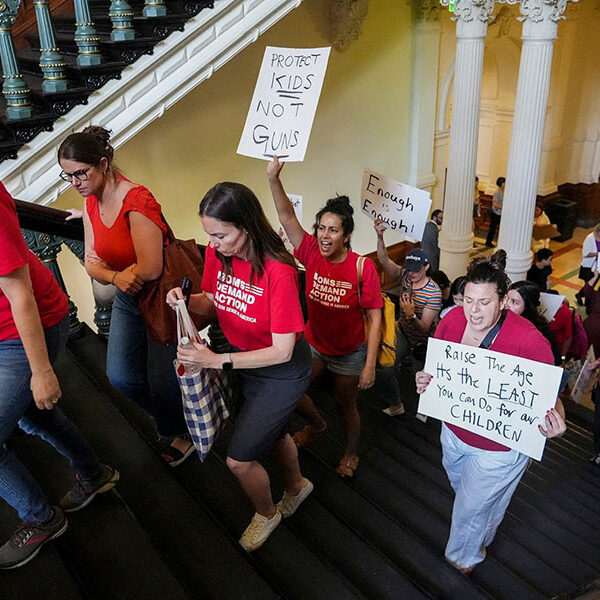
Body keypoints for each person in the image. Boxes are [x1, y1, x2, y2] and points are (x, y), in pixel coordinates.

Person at [167, 180, 313, 552]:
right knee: (277, 431)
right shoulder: (219, 255)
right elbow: (214, 302)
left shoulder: (277, 271)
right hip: (242, 361)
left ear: (246, 228)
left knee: (238, 461)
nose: (211, 244)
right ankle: (297, 486)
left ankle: (267, 513)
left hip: (280, 372)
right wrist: (185, 300)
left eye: (220, 235)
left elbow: (282, 350)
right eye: (209, 235)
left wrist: (217, 360)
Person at [416, 251, 566, 573]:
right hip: (454, 432)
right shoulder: (452, 319)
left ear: (502, 302)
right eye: (468, 299)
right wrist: (425, 378)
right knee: (468, 495)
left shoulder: (530, 341)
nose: (474, 310)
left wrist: (559, 421)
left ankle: (461, 561)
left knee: (468, 510)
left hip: (499, 448)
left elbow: (549, 392)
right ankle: (481, 526)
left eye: (484, 302)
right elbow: (437, 368)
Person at [58, 126, 193, 466]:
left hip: (162, 296)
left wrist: (114, 273)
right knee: (121, 376)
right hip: (128, 295)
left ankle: (183, 429)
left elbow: (149, 269)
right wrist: (116, 276)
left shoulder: (137, 201)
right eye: (68, 176)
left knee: (165, 378)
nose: (75, 183)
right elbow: (91, 262)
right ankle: (172, 417)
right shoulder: (90, 202)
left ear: (102, 164)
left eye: (80, 173)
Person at [0, 182, 118, 569]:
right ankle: (93, 473)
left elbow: (19, 295)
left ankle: (40, 520)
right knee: (36, 416)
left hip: (23, 331)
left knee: (35, 410)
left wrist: (41, 371)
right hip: (8, 332)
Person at [267, 157, 382, 478]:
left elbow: (374, 317)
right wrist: (274, 178)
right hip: (314, 344)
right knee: (293, 389)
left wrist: (370, 363)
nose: (324, 235)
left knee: (347, 406)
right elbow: (287, 214)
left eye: (333, 230)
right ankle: (317, 425)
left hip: (349, 353)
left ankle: (350, 452)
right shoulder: (309, 252)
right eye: (320, 228)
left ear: (346, 235)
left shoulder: (362, 267)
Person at [375, 222, 442, 416]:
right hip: (403, 331)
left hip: (425, 341)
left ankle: (427, 410)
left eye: (416, 270)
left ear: (426, 267)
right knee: (385, 367)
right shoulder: (405, 276)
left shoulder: (433, 293)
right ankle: (396, 404)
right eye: (409, 269)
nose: (412, 273)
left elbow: (424, 328)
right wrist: (380, 237)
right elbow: (383, 259)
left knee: (426, 380)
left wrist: (411, 313)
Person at [507, 280, 562, 365]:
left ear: (528, 307)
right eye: (506, 299)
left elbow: (556, 362)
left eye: (514, 302)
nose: (506, 305)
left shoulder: (542, 333)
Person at [581, 270, 600, 465]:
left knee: (588, 358)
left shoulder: (598, 294)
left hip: (589, 326)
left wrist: (596, 274)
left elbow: (586, 290)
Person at [575, 223, 600, 306]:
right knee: (590, 285)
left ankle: (579, 295)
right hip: (589, 266)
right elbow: (585, 254)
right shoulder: (589, 239)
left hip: (597, 265)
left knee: (593, 283)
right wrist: (598, 254)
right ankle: (587, 304)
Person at [485, 176, 505, 248]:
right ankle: (488, 242)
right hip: (496, 213)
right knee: (492, 228)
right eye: (504, 182)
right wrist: (504, 207)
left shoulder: (504, 192)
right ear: (501, 184)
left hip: (501, 213)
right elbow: (495, 204)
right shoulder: (497, 193)